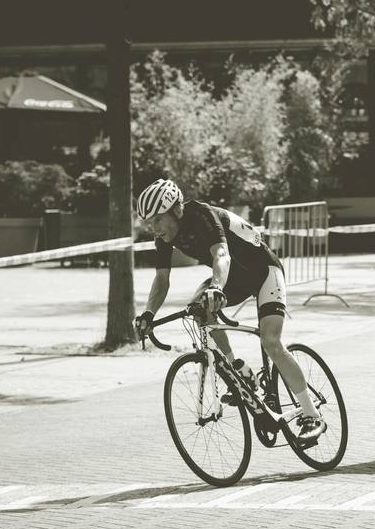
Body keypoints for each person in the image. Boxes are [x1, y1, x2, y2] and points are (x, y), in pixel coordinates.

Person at [133, 179, 327, 441]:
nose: (152, 228)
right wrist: (148, 314)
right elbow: (162, 278)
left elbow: (221, 254)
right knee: (198, 308)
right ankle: (238, 368)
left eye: (156, 220)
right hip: (233, 279)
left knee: (270, 341)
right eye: (149, 222)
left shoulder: (202, 215)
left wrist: (216, 286)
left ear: (175, 210)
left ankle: (311, 414)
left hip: (263, 271)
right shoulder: (165, 237)